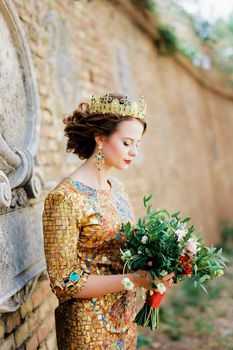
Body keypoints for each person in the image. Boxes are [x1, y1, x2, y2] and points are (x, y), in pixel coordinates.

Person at [42, 93, 174, 350]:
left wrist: (155, 268)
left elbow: (124, 253)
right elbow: (64, 281)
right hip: (86, 325)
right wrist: (135, 280)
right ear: (100, 138)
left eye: (137, 144)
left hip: (125, 318)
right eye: (127, 143)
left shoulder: (119, 190)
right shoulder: (65, 198)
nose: (134, 151)